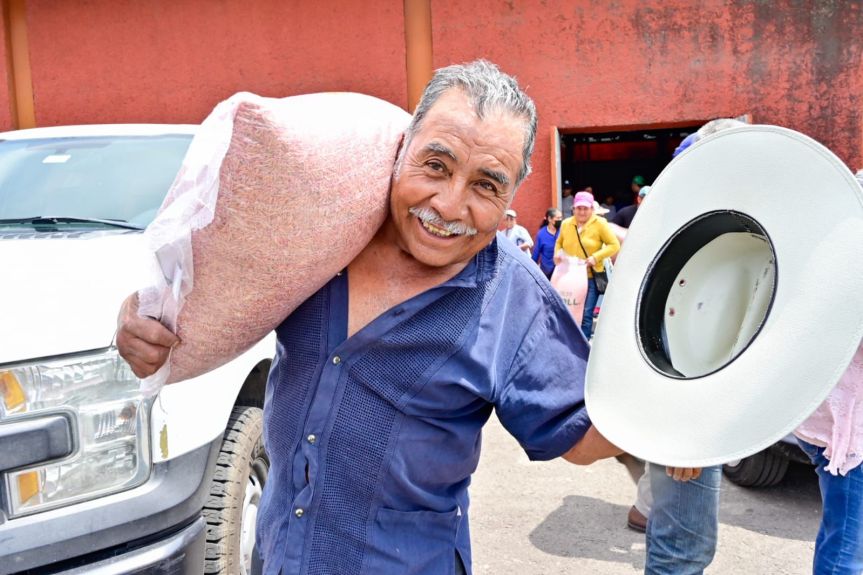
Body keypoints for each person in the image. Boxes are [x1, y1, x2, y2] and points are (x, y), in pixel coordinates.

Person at [116, 60, 623, 575]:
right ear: (402, 147)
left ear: (512, 196)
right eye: (436, 166)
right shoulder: (319, 230)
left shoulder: (515, 298)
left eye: (485, 186)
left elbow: (576, 433)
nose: (448, 206)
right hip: (279, 557)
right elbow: (205, 291)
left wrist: (678, 410)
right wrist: (143, 321)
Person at [793, 170, 863, 575]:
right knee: (846, 556)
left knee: (840, 535)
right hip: (845, 430)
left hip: (824, 418)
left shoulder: (827, 249)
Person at [553, 190, 620, 338]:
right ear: (574, 209)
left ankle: (582, 350)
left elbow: (614, 245)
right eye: (579, 208)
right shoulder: (566, 224)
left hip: (590, 277)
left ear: (592, 209)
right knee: (568, 311)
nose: (582, 212)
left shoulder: (600, 223)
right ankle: (568, 343)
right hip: (569, 277)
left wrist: (596, 257)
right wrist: (557, 254)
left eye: (585, 208)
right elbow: (559, 243)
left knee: (586, 314)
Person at [532, 207, 561, 279]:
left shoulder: (562, 231)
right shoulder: (541, 234)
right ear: (550, 219)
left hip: (561, 270)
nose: (560, 220)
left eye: (561, 218)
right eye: (557, 218)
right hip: (547, 271)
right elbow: (536, 253)